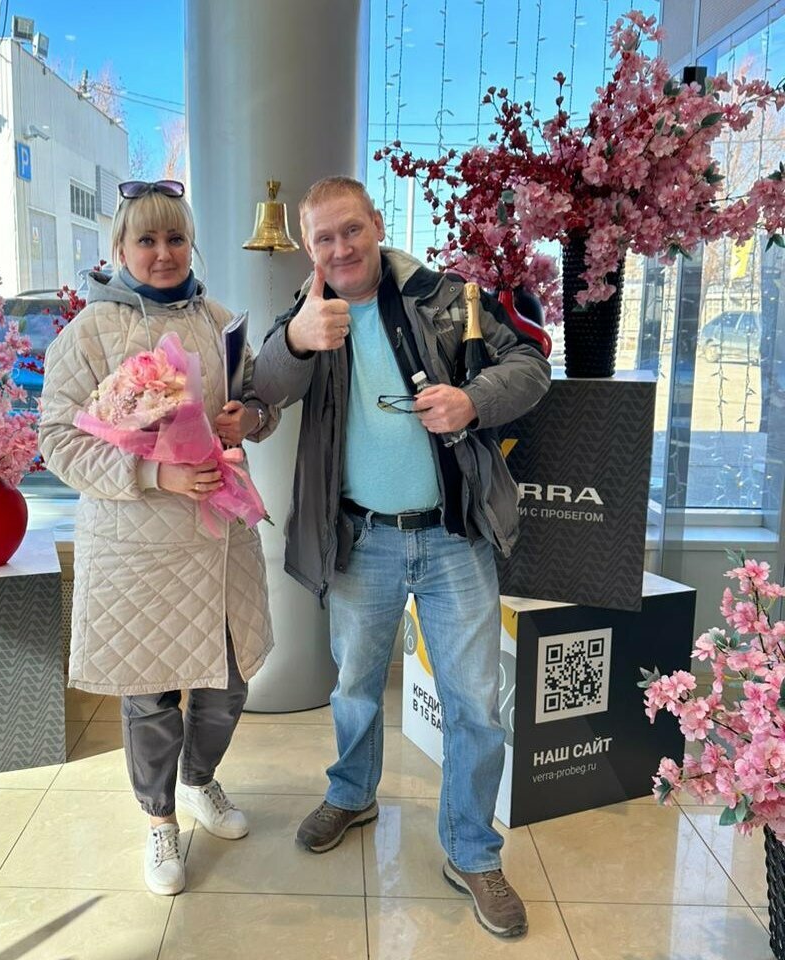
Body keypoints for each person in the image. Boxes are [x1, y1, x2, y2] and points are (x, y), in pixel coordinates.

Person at [251, 176, 550, 939]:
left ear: (377, 225)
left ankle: (472, 852)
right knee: (355, 684)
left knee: (475, 703)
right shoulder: (311, 313)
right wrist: (295, 339)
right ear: (309, 247)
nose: (341, 248)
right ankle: (352, 795)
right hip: (362, 539)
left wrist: (473, 400)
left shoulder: (444, 296)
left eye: (351, 230)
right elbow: (264, 389)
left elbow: (530, 367)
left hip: (453, 536)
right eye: (324, 237)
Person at [40, 179, 278, 897]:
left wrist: (247, 419)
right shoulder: (87, 334)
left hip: (218, 536)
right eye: (147, 239)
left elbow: (255, 405)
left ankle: (200, 780)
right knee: (150, 695)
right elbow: (59, 442)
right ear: (120, 249)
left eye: (175, 237)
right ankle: (159, 818)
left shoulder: (219, 319)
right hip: (135, 546)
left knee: (228, 684)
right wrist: (153, 474)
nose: (163, 252)